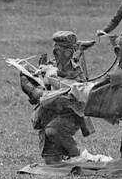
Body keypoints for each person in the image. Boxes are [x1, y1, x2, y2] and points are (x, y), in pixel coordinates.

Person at [18, 29, 90, 164]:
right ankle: (64, 154)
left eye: (63, 51)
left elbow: (76, 96)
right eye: (56, 50)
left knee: (53, 130)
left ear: (70, 52)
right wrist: (28, 79)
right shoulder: (50, 66)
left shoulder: (76, 72)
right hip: (48, 115)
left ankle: (77, 155)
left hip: (69, 115)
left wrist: (42, 93)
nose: (58, 55)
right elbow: (38, 87)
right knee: (51, 162)